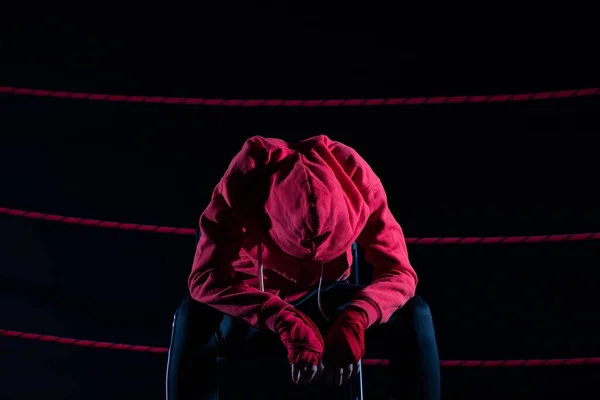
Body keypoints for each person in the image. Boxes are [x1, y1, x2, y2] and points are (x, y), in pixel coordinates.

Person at [166, 135, 441, 399]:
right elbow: (204, 278)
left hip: (327, 296)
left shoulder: (355, 175)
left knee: (415, 312)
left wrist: (357, 317)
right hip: (255, 299)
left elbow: (400, 273)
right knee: (192, 315)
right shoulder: (245, 177)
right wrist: (281, 318)